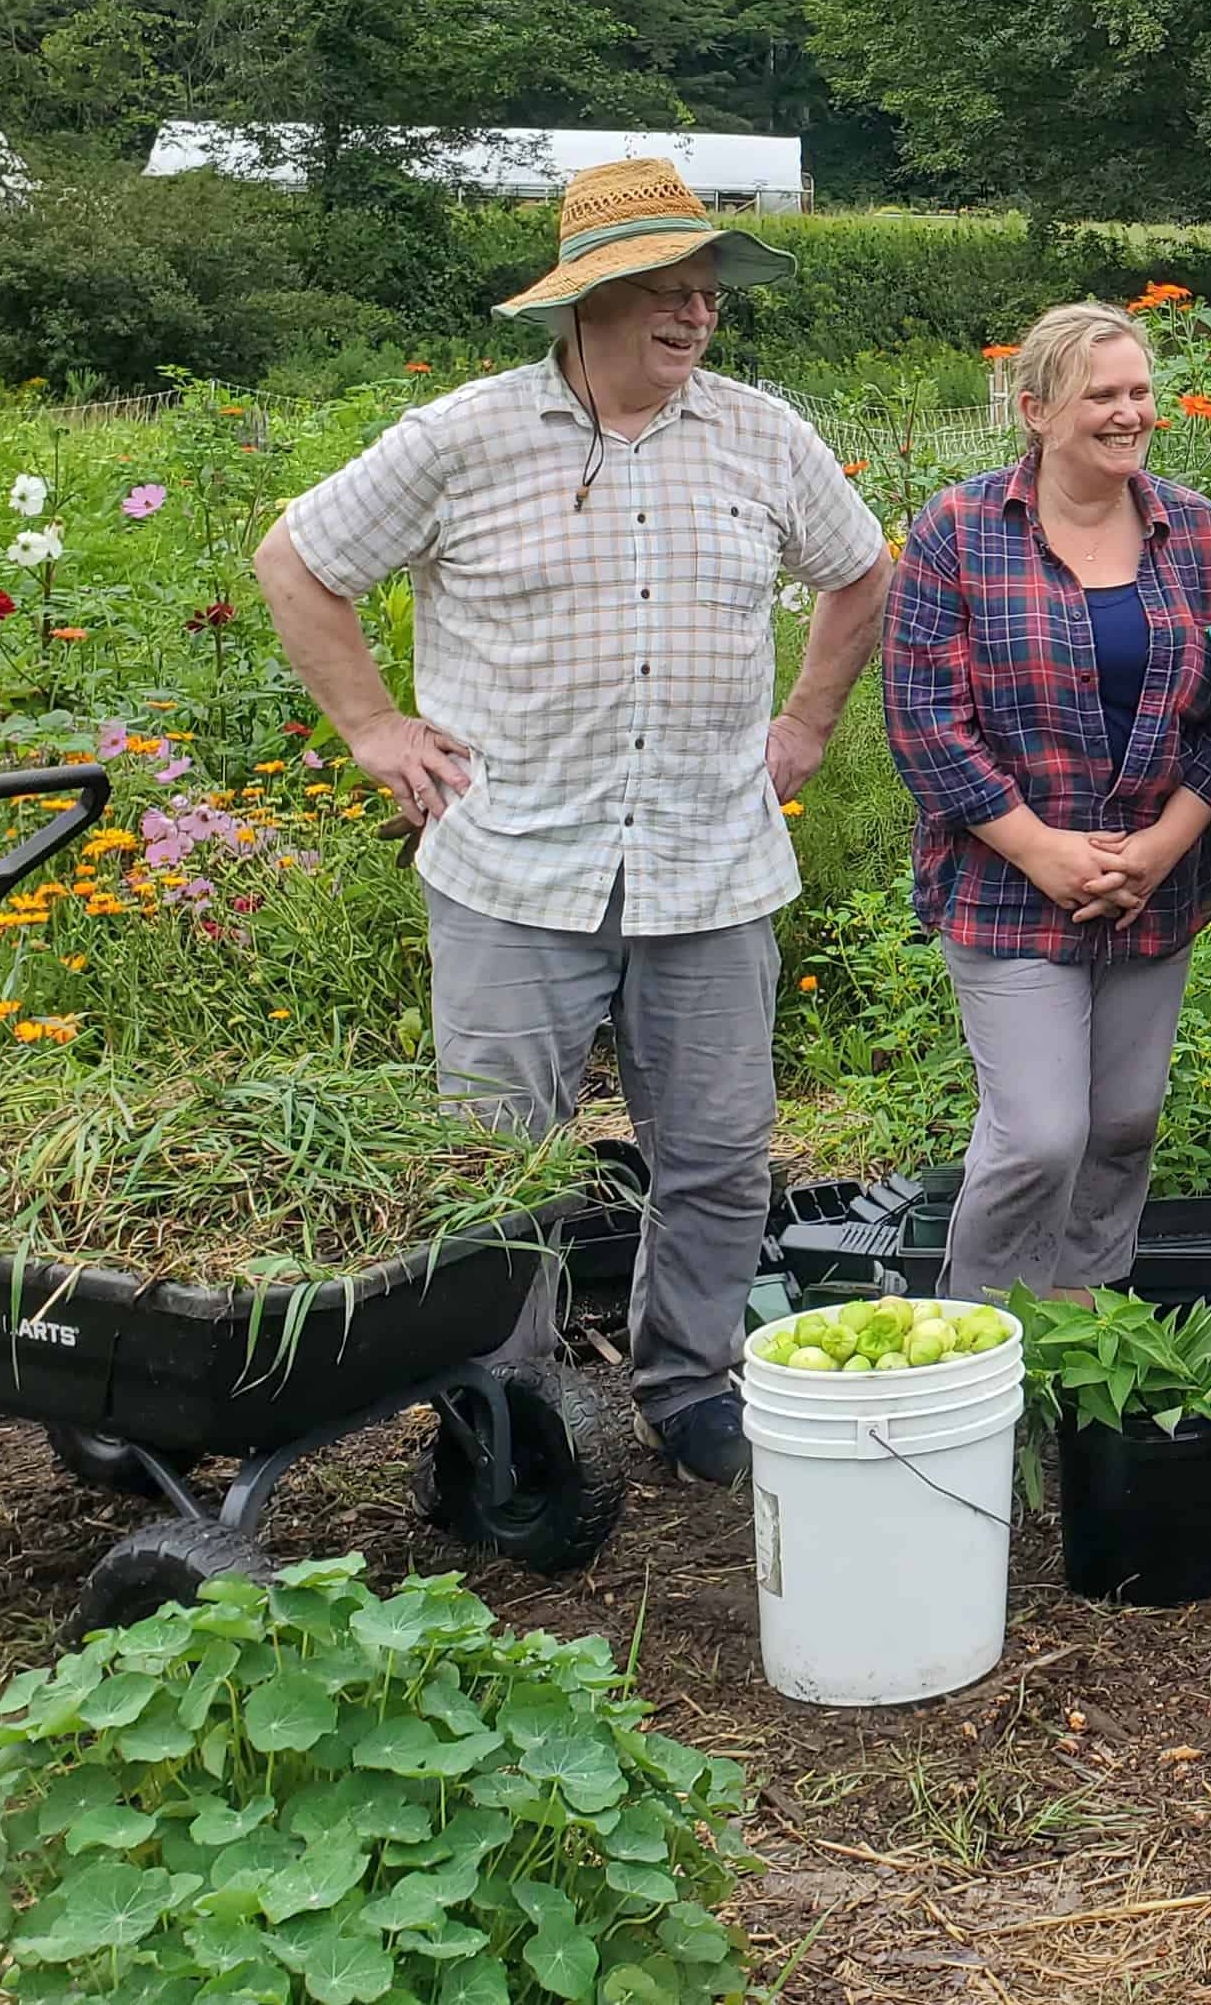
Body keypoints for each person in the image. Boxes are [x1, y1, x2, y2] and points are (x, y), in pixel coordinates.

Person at [256, 157, 892, 1486]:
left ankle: (690, 1388)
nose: (693, 315)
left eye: (706, 292)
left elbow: (862, 574)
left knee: (718, 1159)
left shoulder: (761, 435)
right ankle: (503, 1426)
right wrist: (374, 729)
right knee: (496, 1177)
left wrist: (809, 724)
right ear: (582, 305)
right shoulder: (462, 439)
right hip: (512, 865)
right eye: (661, 292)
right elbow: (297, 561)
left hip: (711, 863)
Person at [882, 302, 1211, 1306]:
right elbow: (925, 718)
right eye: (1103, 395)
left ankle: (1085, 1333)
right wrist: (1039, 849)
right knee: (1039, 1136)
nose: (1129, 412)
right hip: (1006, 888)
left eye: (1140, 392)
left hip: (1155, 887)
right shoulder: (957, 533)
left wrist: (1164, 847)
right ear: (1037, 409)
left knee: (1124, 1124)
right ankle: (978, 1351)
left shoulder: (1202, 539)